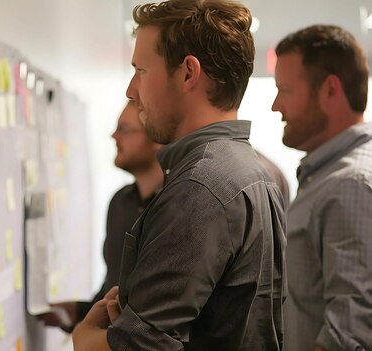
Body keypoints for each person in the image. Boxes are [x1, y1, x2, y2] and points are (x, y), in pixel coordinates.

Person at [73, 1, 286, 350]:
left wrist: (84, 338)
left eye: (141, 70)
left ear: (188, 73)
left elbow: (142, 346)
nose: (131, 89)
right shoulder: (249, 171)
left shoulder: (201, 187)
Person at [272, 25, 372, 351]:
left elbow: (348, 332)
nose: (276, 105)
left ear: (330, 90)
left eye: (284, 90)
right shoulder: (328, 177)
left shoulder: (349, 184)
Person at [40, 100, 163, 331]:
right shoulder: (120, 203)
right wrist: (76, 311)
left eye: (124, 129)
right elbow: (114, 289)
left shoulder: (175, 207)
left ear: (156, 138)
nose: (113, 136)